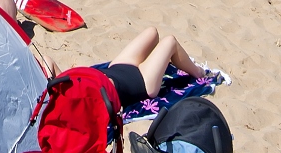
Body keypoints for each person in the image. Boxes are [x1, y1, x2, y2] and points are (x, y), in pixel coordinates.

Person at [90, 29, 224, 112]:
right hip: (142, 81)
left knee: (152, 32)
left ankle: (157, 61)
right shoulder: (93, 100)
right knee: (170, 42)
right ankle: (198, 72)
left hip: (117, 68)